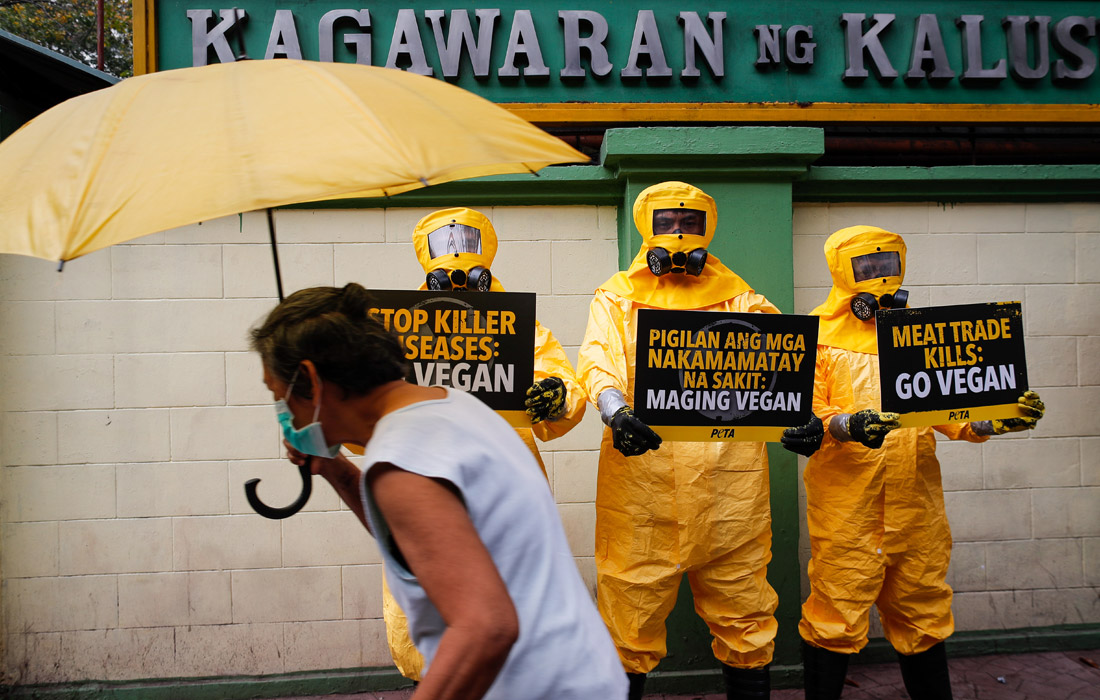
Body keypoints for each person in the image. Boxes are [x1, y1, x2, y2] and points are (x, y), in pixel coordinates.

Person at [251, 283, 627, 700]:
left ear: (311, 381)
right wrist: (334, 467)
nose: (282, 414)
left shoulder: (402, 462)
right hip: (584, 676)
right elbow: (419, 540)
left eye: (278, 396)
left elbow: (485, 629)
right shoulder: (451, 406)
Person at [576, 181, 824, 700]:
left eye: (690, 224)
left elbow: (788, 372)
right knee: (629, 616)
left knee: (746, 614)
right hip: (641, 488)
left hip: (729, 491)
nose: (679, 234)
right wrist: (616, 410)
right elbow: (599, 360)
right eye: (667, 223)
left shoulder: (744, 299)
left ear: (707, 229)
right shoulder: (618, 295)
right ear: (648, 228)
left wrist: (806, 419)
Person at [798, 225, 1046, 700]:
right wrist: (846, 426)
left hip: (916, 505)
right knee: (836, 610)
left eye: (887, 266)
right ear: (840, 272)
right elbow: (807, 413)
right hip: (848, 507)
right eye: (865, 268)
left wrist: (997, 419)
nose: (879, 278)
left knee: (922, 609)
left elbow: (955, 417)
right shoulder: (819, 336)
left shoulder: (923, 334)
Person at [378, 207, 589, 682]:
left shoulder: (518, 324)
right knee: (424, 601)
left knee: (511, 599)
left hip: (505, 484)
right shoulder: (395, 328)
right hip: (427, 483)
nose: (455, 254)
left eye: (467, 243)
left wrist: (555, 396)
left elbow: (560, 381)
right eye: (443, 244)